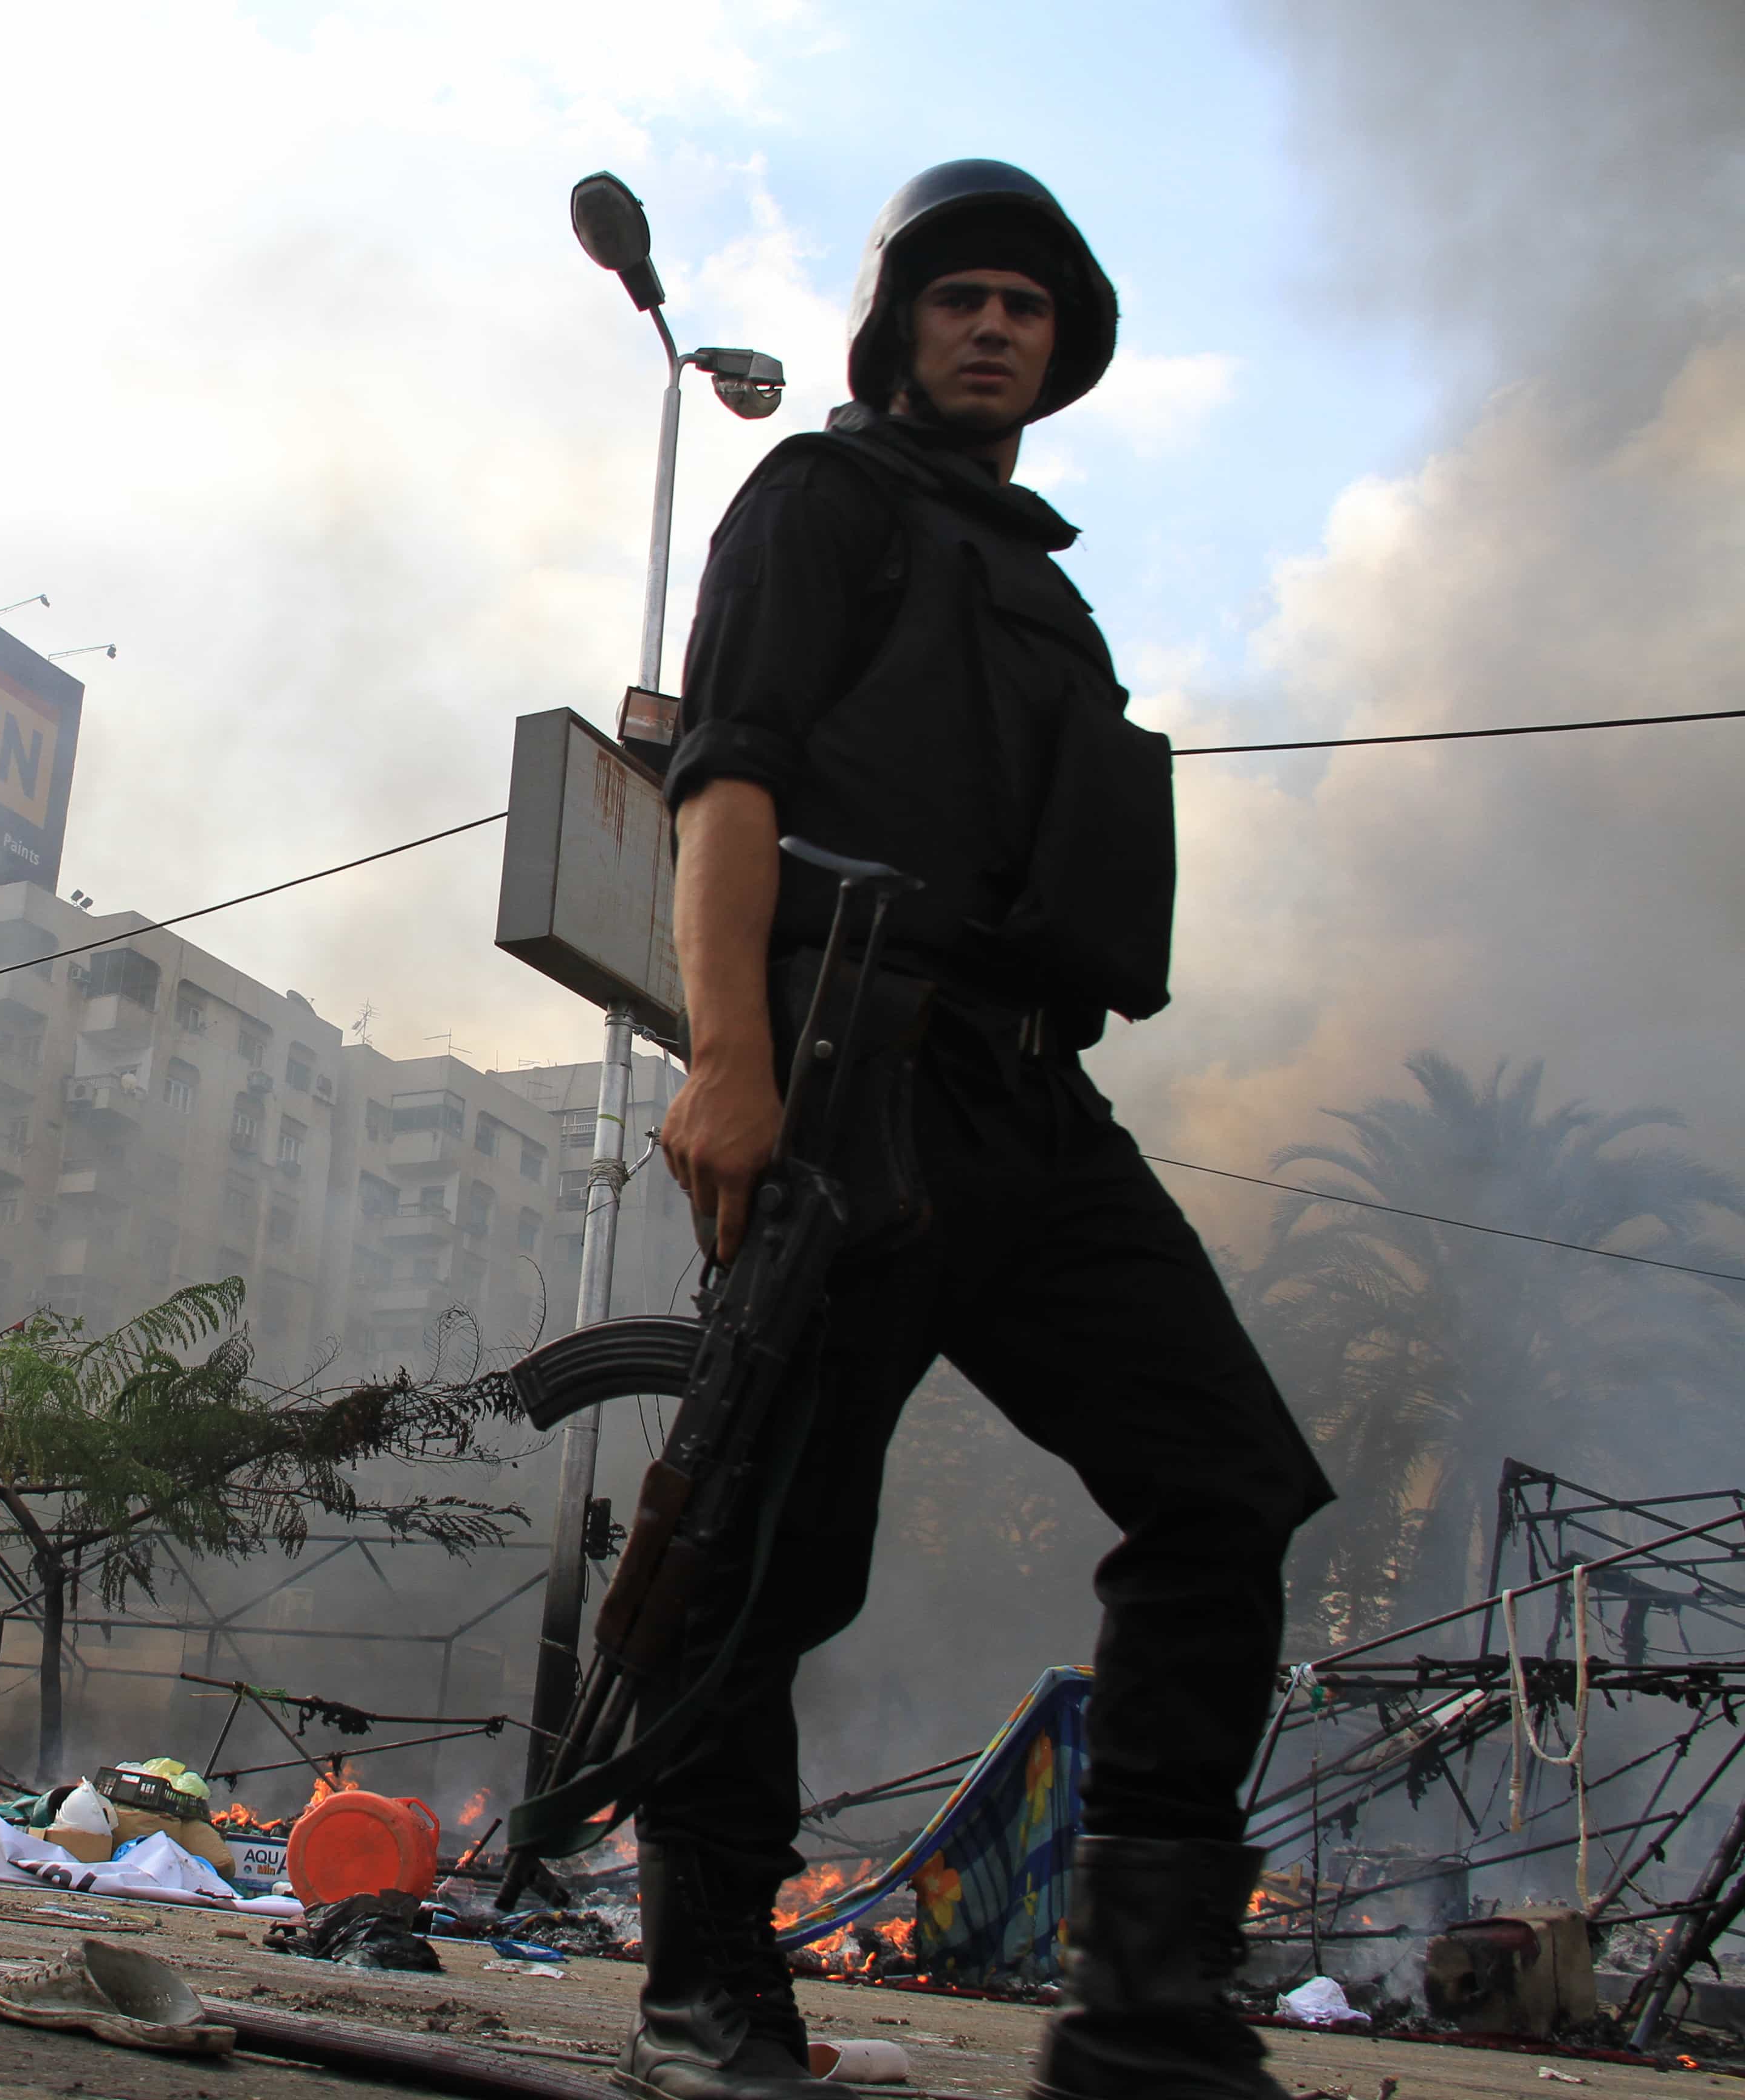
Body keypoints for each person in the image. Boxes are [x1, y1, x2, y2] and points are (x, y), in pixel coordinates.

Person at [643, 162, 1333, 2100]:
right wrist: (727, 1055)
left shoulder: (1045, 588)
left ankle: (1148, 2007)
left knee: (1229, 1488)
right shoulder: (823, 500)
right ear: (903, 327)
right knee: (766, 1553)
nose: (994, 324)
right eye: (960, 295)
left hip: (1033, 1096)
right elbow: (730, 782)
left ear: (1059, 350)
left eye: (1027, 304)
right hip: (853, 1059)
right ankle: (709, 1985)